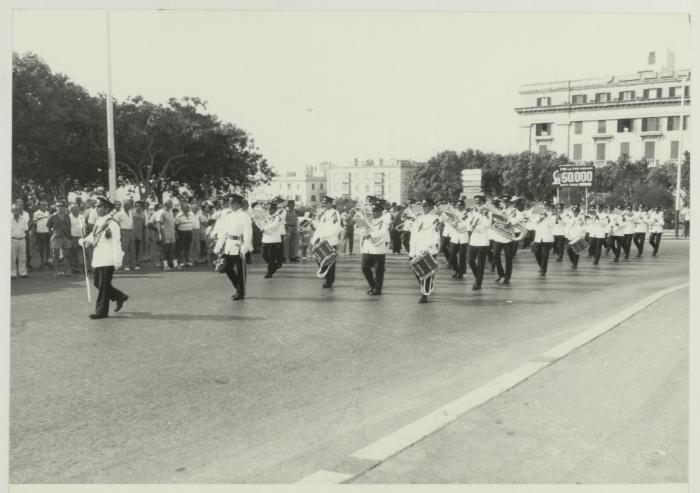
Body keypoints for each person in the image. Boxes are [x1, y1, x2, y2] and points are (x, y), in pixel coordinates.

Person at [79, 196, 128, 319]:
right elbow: (94, 235)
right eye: (96, 206)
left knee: (104, 286)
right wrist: (85, 240)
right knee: (97, 283)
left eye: (100, 206)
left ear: (107, 208)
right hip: (98, 258)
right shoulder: (100, 221)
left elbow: (117, 243)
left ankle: (101, 311)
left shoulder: (113, 224)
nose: (97, 209)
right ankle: (119, 296)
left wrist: (117, 261)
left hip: (108, 258)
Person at [213, 194, 253, 301]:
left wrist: (245, 247)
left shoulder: (244, 216)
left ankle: (240, 292)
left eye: (233, 202)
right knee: (226, 268)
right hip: (229, 246)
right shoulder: (228, 215)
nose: (230, 204)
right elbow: (224, 233)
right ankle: (239, 289)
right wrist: (219, 245)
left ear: (239, 203)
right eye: (230, 202)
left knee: (241, 271)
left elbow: (248, 233)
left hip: (239, 245)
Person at [409, 198, 440, 303]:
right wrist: (411, 251)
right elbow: (413, 236)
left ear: (432, 207)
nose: (423, 208)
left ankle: (424, 295)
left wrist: (427, 247)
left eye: (426, 205)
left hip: (429, 250)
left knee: (426, 274)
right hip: (418, 248)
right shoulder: (418, 218)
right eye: (422, 206)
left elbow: (436, 237)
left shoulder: (436, 218)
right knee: (417, 272)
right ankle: (427, 286)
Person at [311, 196, 342, 288]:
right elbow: (320, 227)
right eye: (323, 203)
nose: (324, 205)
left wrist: (324, 236)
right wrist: (315, 237)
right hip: (322, 241)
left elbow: (337, 228)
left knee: (330, 262)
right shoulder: (323, 214)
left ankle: (329, 281)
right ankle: (328, 277)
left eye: (326, 203)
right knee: (320, 259)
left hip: (331, 241)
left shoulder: (335, 213)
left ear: (330, 203)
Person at [360, 202, 390, 295]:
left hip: (378, 249)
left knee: (378, 271)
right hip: (368, 247)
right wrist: (363, 231)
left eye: (376, 211)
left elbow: (382, 232)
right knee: (364, 267)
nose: (374, 213)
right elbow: (362, 230)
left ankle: (377, 289)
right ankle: (373, 285)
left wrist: (370, 234)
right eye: (373, 211)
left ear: (381, 211)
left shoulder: (384, 221)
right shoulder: (369, 220)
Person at [468, 195, 492, 289]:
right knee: (470, 261)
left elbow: (488, 225)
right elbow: (468, 225)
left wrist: (484, 215)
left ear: (483, 202)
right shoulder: (473, 212)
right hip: (474, 239)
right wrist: (471, 222)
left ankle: (478, 283)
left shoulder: (488, 213)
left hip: (483, 240)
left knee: (481, 263)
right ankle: (478, 277)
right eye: (476, 202)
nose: (477, 204)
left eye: (479, 202)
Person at [46, 201, 73, 276]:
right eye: (58, 206)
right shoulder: (52, 216)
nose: (60, 207)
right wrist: (52, 236)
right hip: (56, 237)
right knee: (56, 256)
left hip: (66, 237)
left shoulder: (67, 216)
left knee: (67, 255)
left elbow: (69, 227)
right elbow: (49, 227)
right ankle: (56, 271)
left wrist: (69, 237)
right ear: (56, 207)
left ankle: (67, 271)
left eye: (62, 206)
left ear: (64, 207)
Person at [260, 200, 285, 278]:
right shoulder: (266, 217)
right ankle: (274, 265)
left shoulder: (278, 217)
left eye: (271, 209)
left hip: (274, 240)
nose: (269, 210)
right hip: (265, 239)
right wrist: (263, 226)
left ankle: (270, 271)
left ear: (274, 209)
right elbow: (261, 223)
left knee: (271, 256)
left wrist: (265, 229)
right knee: (264, 255)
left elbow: (275, 225)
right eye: (268, 209)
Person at [448, 199, 469, 280]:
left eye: (460, 205)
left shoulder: (467, 214)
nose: (458, 207)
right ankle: (456, 270)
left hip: (463, 237)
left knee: (462, 256)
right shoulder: (454, 213)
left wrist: (459, 224)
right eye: (457, 205)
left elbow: (467, 225)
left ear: (464, 206)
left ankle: (461, 273)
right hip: (455, 236)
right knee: (452, 254)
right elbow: (450, 222)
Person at [532, 202, 555, 276]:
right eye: (544, 206)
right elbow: (534, 223)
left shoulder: (552, 215)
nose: (546, 208)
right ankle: (541, 266)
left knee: (544, 254)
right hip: (538, 237)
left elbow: (552, 226)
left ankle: (543, 270)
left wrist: (547, 217)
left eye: (547, 206)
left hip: (547, 237)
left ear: (549, 207)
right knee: (536, 253)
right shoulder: (538, 214)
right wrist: (540, 218)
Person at [113, 200, 136, 270]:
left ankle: (133, 264)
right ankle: (126, 265)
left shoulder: (131, 212)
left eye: (130, 205)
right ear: (125, 205)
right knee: (125, 249)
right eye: (128, 205)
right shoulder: (120, 213)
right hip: (124, 231)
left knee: (132, 248)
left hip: (131, 231)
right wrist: (118, 230)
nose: (130, 206)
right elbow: (113, 221)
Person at [158, 199, 178, 270]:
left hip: (172, 235)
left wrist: (175, 232)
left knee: (173, 250)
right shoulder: (162, 213)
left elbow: (172, 224)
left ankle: (175, 265)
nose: (172, 205)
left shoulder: (171, 212)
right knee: (165, 251)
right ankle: (165, 266)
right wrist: (162, 236)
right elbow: (161, 225)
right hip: (165, 235)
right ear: (167, 205)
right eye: (171, 204)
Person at [174, 201, 195, 267]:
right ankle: (181, 261)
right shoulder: (179, 215)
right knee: (181, 247)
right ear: (182, 208)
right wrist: (176, 234)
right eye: (187, 207)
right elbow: (175, 225)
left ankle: (188, 261)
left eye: (188, 207)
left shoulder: (191, 214)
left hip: (189, 232)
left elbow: (192, 223)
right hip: (181, 233)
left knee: (188, 247)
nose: (188, 208)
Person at [11, 203, 29, 278]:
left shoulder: (23, 219)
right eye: (15, 210)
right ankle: (12, 273)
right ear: (12, 210)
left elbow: (26, 229)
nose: (17, 211)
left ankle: (23, 273)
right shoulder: (8, 219)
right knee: (12, 258)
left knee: (23, 257)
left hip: (22, 240)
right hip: (12, 240)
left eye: (18, 210)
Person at [32, 200, 51, 268]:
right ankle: (42, 262)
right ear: (39, 206)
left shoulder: (48, 213)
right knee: (41, 248)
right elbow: (34, 224)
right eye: (43, 205)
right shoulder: (36, 213)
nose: (44, 206)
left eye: (45, 205)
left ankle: (47, 261)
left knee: (47, 247)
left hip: (47, 232)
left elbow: (49, 223)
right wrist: (34, 234)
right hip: (40, 233)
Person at [69, 204, 86, 274]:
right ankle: (75, 268)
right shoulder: (69, 217)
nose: (76, 210)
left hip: (82, 237)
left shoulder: (82, 217)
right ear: (71, 210)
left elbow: (85, 226)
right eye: (74, 209)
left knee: (84, 253)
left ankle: (85, 267)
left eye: (77, 209)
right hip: (74, 237)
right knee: (74, 253)